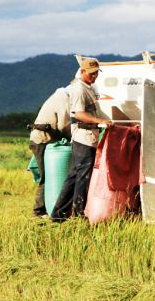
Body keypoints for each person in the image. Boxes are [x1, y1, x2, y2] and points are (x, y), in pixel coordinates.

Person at [51, 58, 112, 221]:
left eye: (96, 73)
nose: (94, 76)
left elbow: (95, 111)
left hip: (89, 138)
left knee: (75, 177)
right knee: (83, 178)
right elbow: (79, 114)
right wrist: (100, 122)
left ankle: (58, 214)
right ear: (83, 72)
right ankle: (78, 214)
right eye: (91, 74)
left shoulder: (90, 88)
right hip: (83, 138)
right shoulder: (79, 89)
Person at [29, 86, 72, 217]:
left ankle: (47, 208)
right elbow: (64, 125)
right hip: (43, 139)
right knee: (47, 176)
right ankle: (39, 211)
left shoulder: (59, 95)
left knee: (49, 175)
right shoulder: (64, 98)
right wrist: (73, 137)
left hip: (41, 139)